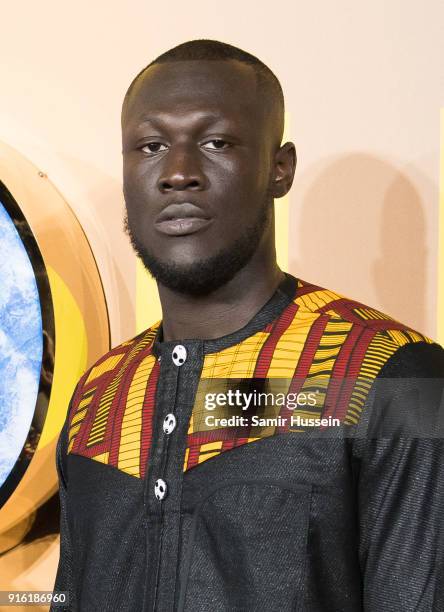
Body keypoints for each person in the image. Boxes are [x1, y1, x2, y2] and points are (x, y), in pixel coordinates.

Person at [52, 39, 444, 611]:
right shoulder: (100, 395)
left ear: (279, 168)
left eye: (216, 143)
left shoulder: (390, 377)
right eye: (151, 145)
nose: (179, 173)